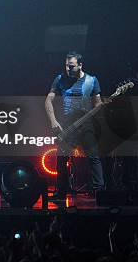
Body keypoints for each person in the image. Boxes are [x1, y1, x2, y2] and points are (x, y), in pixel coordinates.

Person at [45, 52, 104, 199]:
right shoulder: (60, 79)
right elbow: (48, 100)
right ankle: (61, 192)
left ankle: (100, 191)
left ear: (80, 65)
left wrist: (99, 108)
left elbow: (98, 104)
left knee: (93, 157)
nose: (68, 69)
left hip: (86, 123)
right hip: (67, 125)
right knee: (61, 159)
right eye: (66, 66)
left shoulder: (92, 80)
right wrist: (53, 120)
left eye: (71, 67)